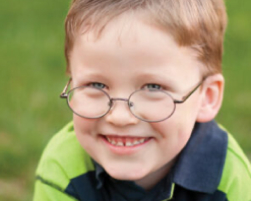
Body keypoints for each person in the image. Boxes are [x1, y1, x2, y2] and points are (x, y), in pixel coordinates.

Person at [33, 0, 251, 200]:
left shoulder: (228, 176)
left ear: (207, 97)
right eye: (96, 85)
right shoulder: (63, 167)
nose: (119, 117)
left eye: (153, 87)